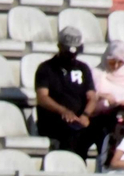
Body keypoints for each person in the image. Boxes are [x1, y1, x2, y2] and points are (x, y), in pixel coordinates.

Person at [36, 27, 100, 157]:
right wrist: (63, 111)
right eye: (67, 52)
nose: (71, 57)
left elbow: (92, 97)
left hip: (80, 119)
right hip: (54, 120)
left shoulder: (83, 68)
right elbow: (42, 97)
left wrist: (86, 115)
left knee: (104, 130)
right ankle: (70, 168)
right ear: (60, 47)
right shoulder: (46, 68)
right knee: (72, 133)